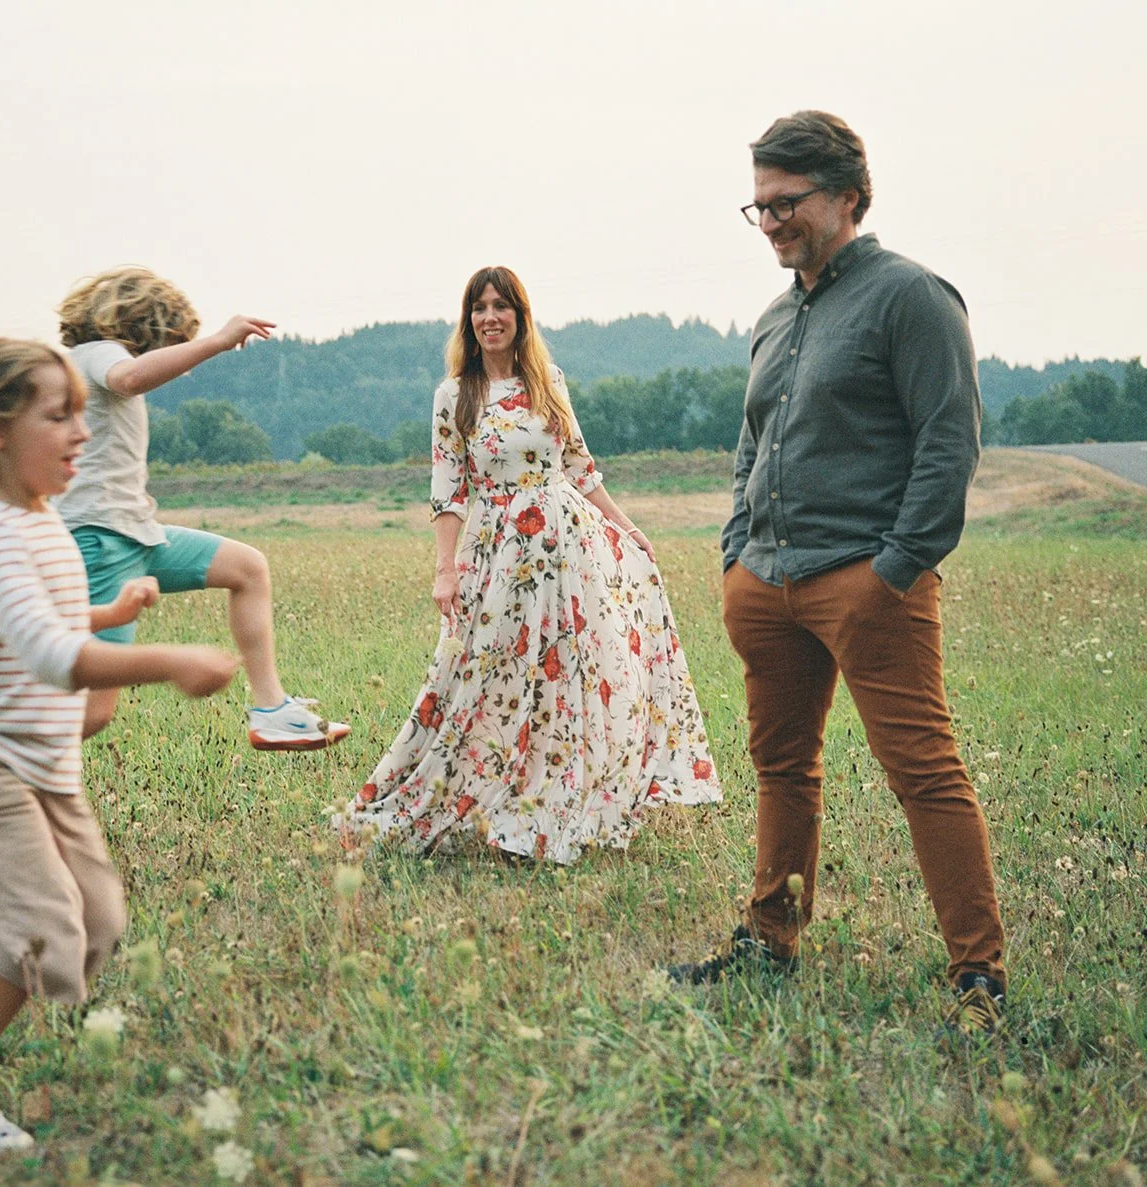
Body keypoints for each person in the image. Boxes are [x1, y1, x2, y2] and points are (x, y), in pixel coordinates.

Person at [667, 111, 1007, 1038]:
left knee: (924, 772)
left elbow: (949, 440)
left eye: (788, 203)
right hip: (765, 582)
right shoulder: (776, 317)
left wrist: (896, 567)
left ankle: (979, 975)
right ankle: (770, 941)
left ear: (849, 195)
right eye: (759, 205)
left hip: (868, 582)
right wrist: (736, 549)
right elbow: (754, 441)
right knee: (782, 767)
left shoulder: (912, 298)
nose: (772, 221)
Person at [0, 337, 238, 1154]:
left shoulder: (43, 521)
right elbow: (49, 653)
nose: (83, 431)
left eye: (84, 411)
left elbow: (54, 624)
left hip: (42, 763)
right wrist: (168, 659)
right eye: (60, 414)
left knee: (96, 924)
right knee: (42, 935)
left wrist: (115, 611)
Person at [338, 266, 720, 863]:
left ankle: (547, 806)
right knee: (486, 676)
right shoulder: (453, 396)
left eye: (501, 306)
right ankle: (472, 794)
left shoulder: (548, 381)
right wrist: (446, 569)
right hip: (498, 554)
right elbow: (448, 490)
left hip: (567, 553)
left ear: (520, 316)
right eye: (479, 307)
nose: (489, 317)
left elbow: (579, 465)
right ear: (468, 320)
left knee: (567, 678)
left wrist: (628, 527)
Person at [0, 266, 348, 752]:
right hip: (101, 538)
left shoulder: (68, 363)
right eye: (173, 343)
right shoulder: (105, 354)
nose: (178, 360)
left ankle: (270, 708)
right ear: (147, 326)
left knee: (246, 567)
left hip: (136, 532)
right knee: (92, 711)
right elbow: (129, 378)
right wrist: (217, 341)